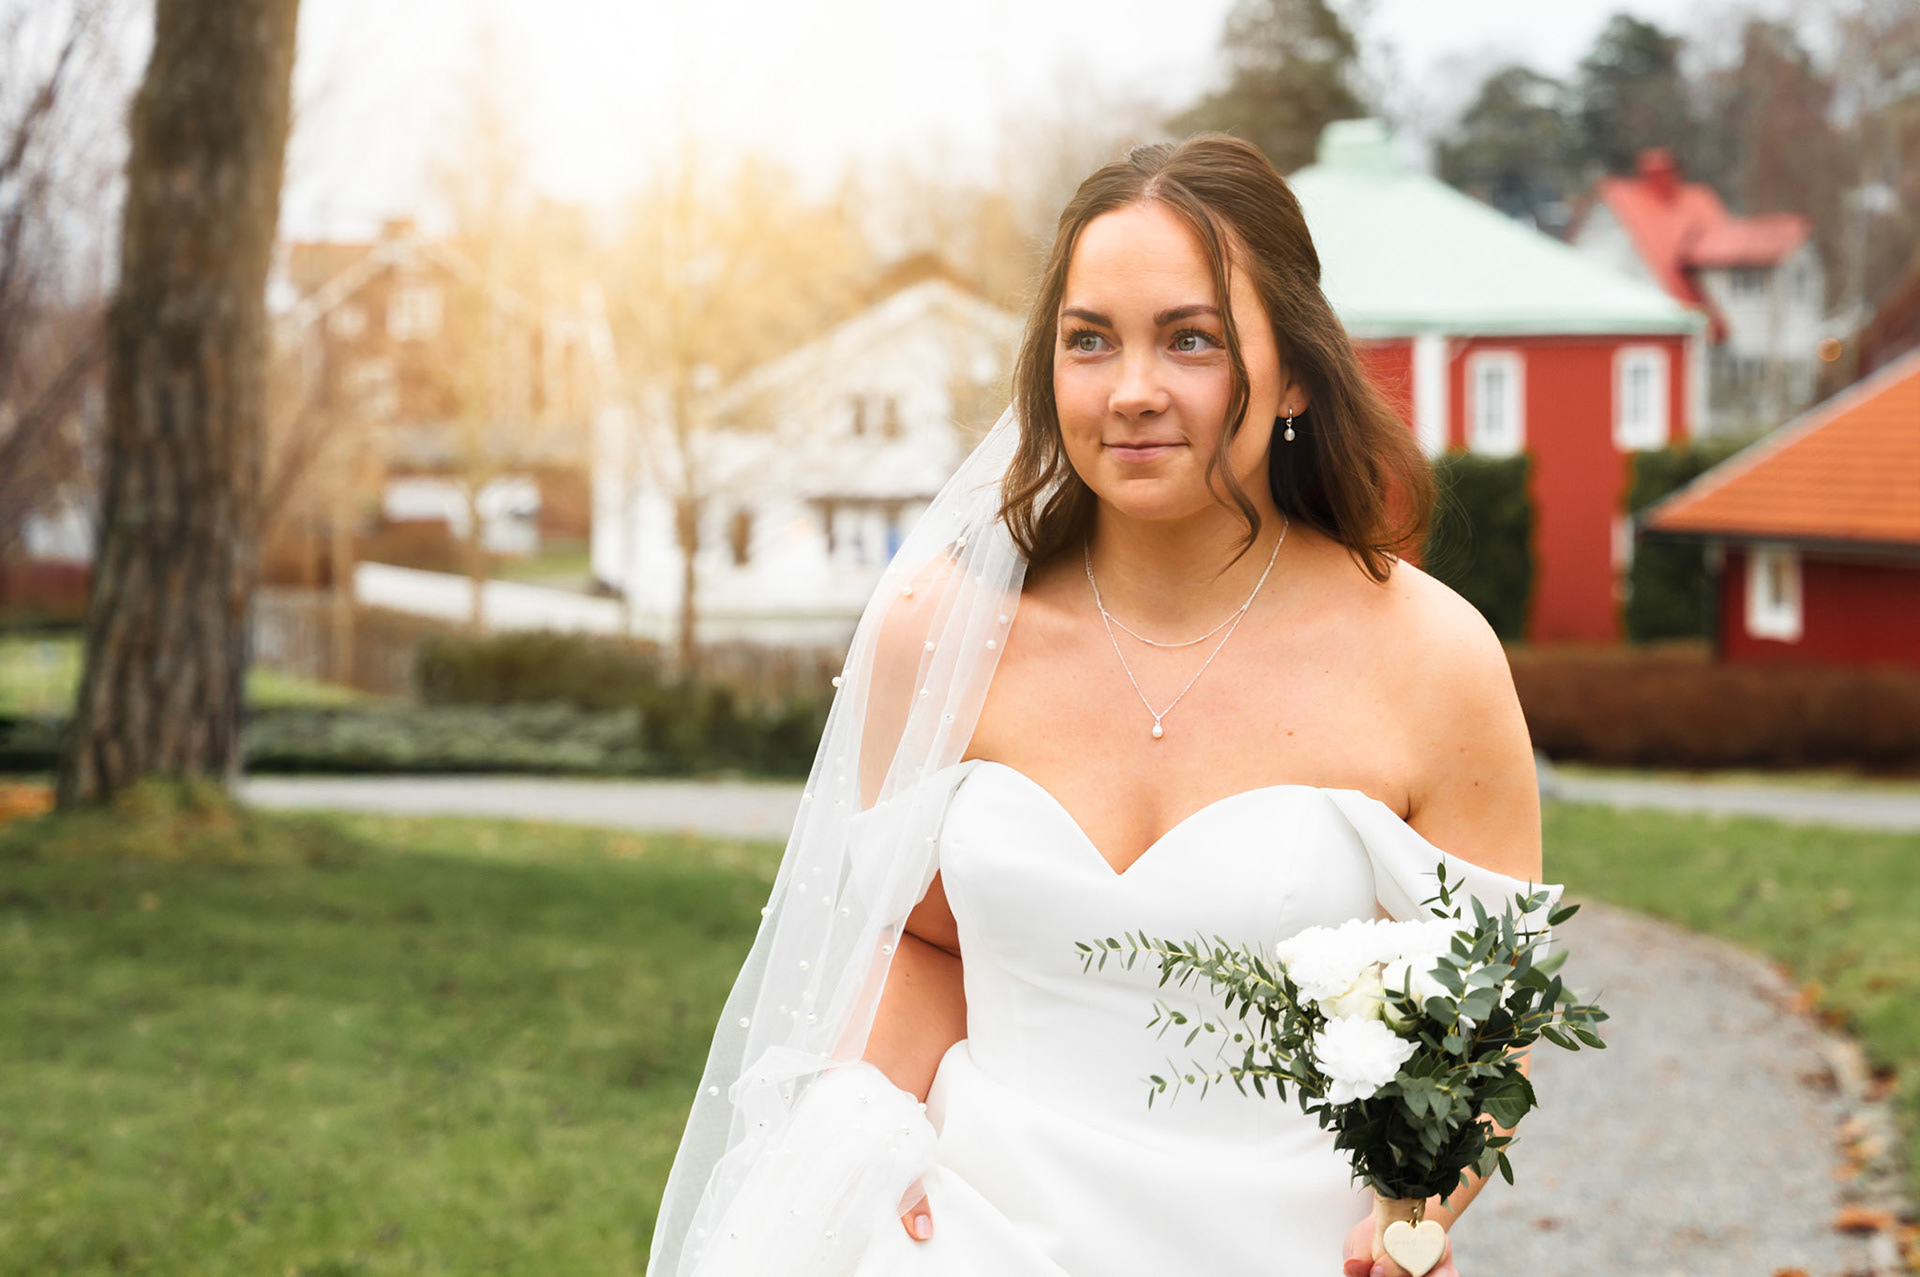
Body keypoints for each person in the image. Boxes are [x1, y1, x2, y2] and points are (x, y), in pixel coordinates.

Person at [648, 134, 1552, 1277]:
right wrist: (867, 1127)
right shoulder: (939, 634)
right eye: (1089, 340)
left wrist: (1413, 1211)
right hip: (971, 1237)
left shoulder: (1431, 656)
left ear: (1297, 374)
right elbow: (919, 939)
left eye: (1191, 338)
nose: (1132, 391)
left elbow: (1490, 1010)